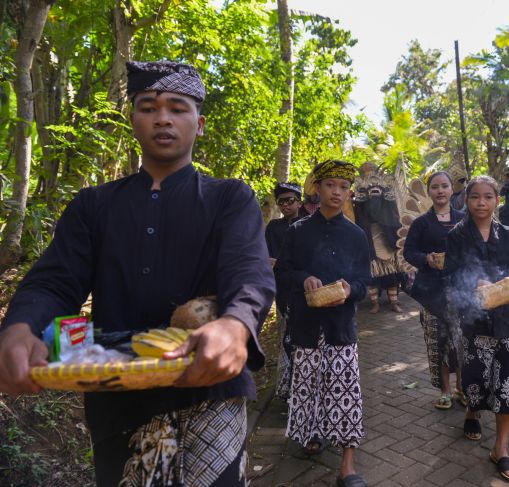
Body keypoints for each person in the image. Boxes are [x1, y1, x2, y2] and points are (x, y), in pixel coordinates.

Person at [0, 61, 275, 486]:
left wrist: (237, 325)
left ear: (198, 124)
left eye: (177, 108)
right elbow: (55, 280)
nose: (162, 117)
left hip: (211, 393)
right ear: (133, 119)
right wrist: (21, 327)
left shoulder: (230, 198)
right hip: (116, 398)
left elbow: (250, 273)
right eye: (148, 106)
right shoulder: (93, 206)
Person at [275, 160, 370, 487]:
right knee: (311, 385)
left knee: (345, 390)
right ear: (317, 188)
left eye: (344, 188)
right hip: (306, 325)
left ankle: (348, 465)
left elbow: (363, 282)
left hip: (341, 326)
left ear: (350, 193)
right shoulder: (298, 231)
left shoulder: (357, 235)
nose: (337, 192)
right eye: (331, 185)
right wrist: (305, 279)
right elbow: (283, 272)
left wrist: (349, 290)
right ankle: (314, 433)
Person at [444, 175, 509, 482]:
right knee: (476, 377)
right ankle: (472, 412)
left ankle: (501, 448)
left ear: (497, 200)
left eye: (488, 197)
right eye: (475, 196)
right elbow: (450, 277)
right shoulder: (457, 235)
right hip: (475, 319)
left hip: (508, 319)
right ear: (466, 200)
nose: (481, 202)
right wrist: (472, 283)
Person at [403, 171, 466, 410]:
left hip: (461, 290)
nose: (440, 191)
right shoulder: (421, 223)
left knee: (460, 340)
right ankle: (445, 391)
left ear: (452, 190)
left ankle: (462, 388)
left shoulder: (464, 218)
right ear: (429, 192)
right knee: (438, 341)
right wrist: (426, 258)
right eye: (435, 187)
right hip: (432, 292)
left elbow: (472, 248)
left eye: (444, 186)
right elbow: (409, 252)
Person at [265, 182, 303, 400]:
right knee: (284, 337)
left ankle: (301, 386)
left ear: (299, 201)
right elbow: (264, 255)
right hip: (281, 289)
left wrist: (279, 262)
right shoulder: (273, 227)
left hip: (303, 287)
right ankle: (287, 389)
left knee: (300, 338)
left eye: (290, 200)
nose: (286, 205)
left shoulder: (307, 224)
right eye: (281, 202)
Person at [353, 162, 404, 314]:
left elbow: (395, 214)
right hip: (369, 238)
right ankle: (375, 303)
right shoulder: (360, 198)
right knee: (372, 275)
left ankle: (394, 302)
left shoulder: (387, 194)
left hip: (386, 236)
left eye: (372, 170)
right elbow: (357, 218)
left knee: (392, 274)